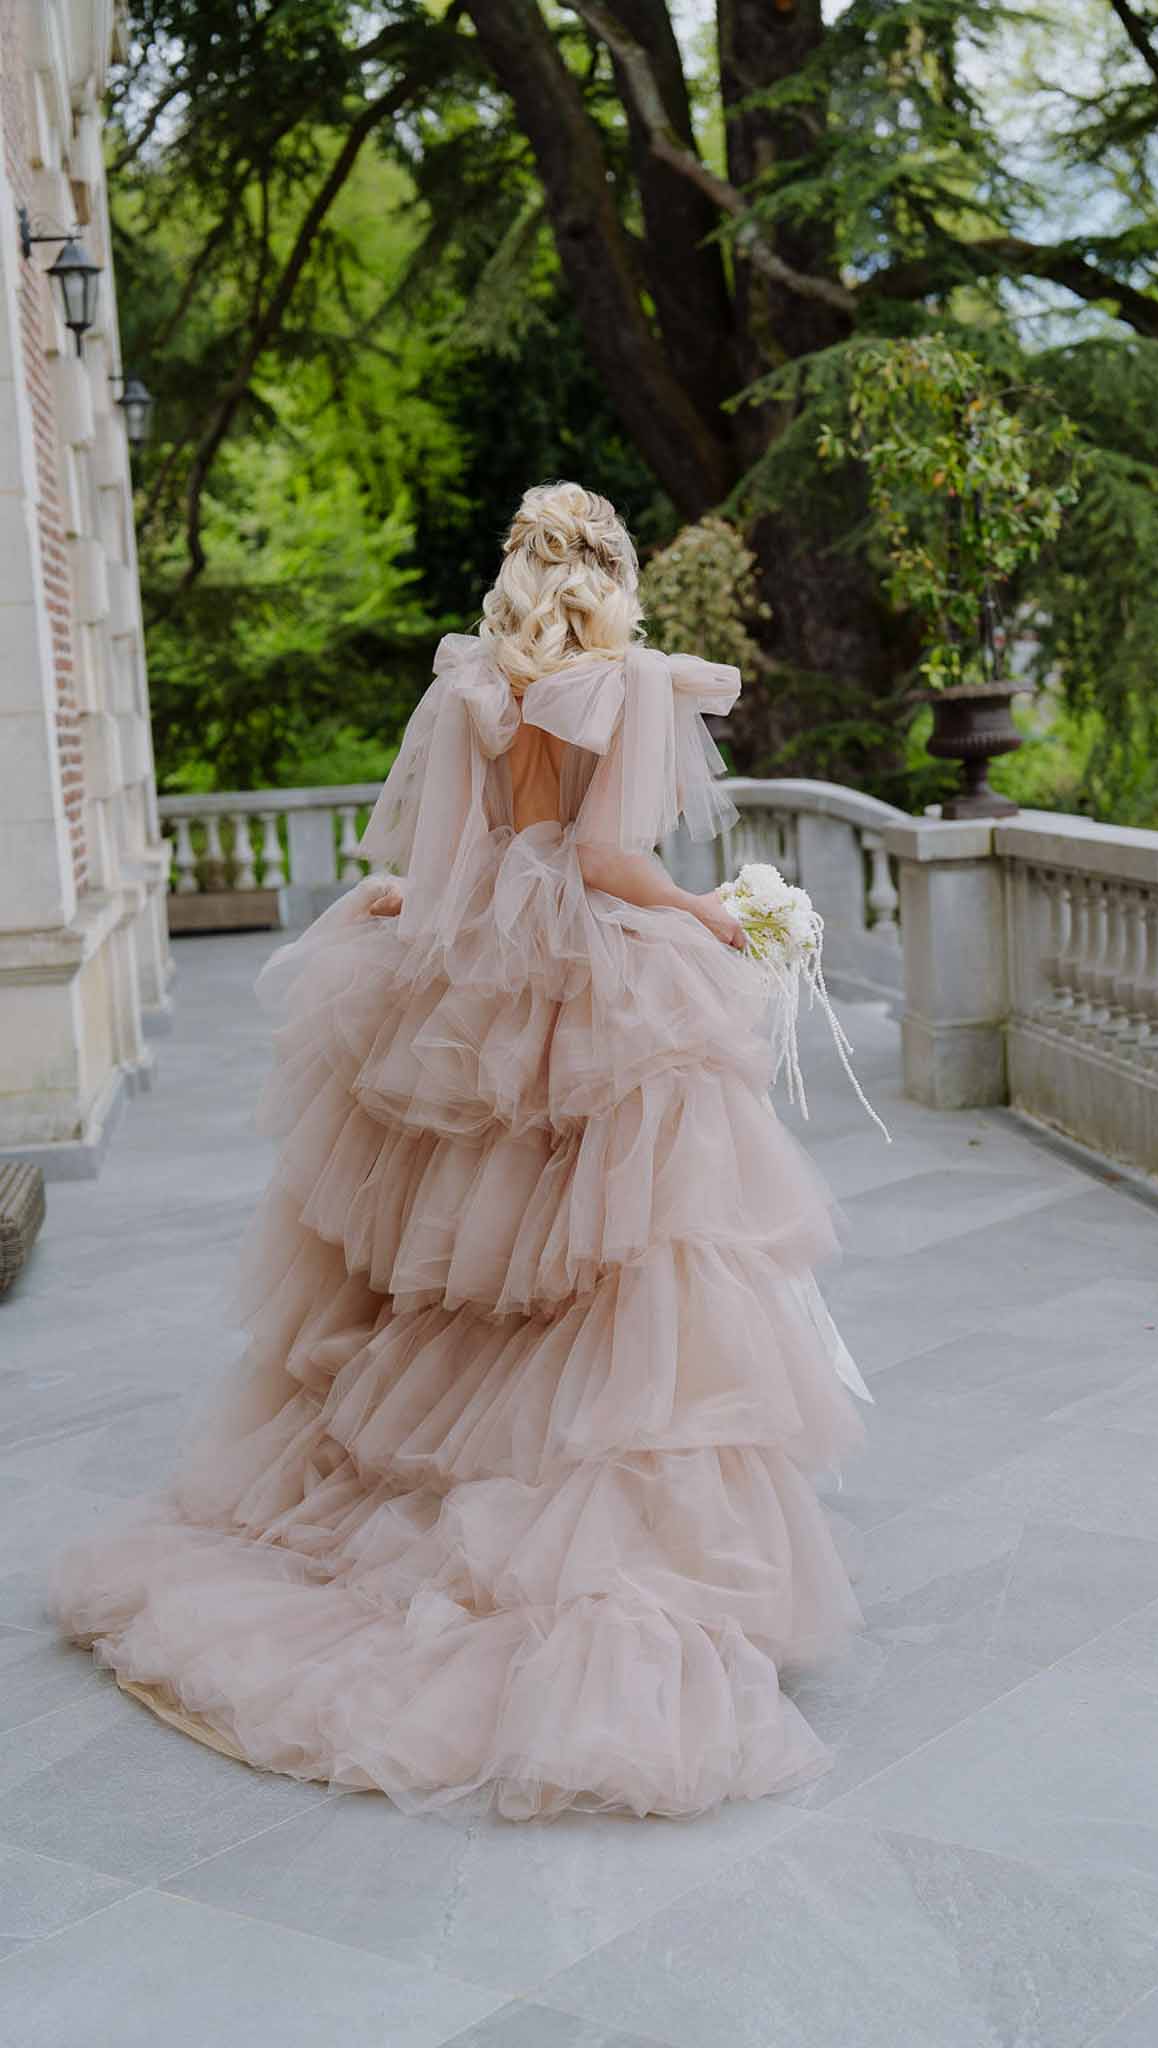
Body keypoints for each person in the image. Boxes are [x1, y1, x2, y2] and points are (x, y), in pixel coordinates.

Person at [52, 481, 868, 1820]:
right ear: (607, 578)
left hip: (473, 978)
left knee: (462, 1253)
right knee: (614, 1259)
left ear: (518, 575)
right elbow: (604, 859)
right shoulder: (623, 684)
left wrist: (427, 899)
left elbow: (468, 847)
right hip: (590, 977)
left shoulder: (471, 684)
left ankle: (438, 1473)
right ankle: (581, 1508)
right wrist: (710, 914)